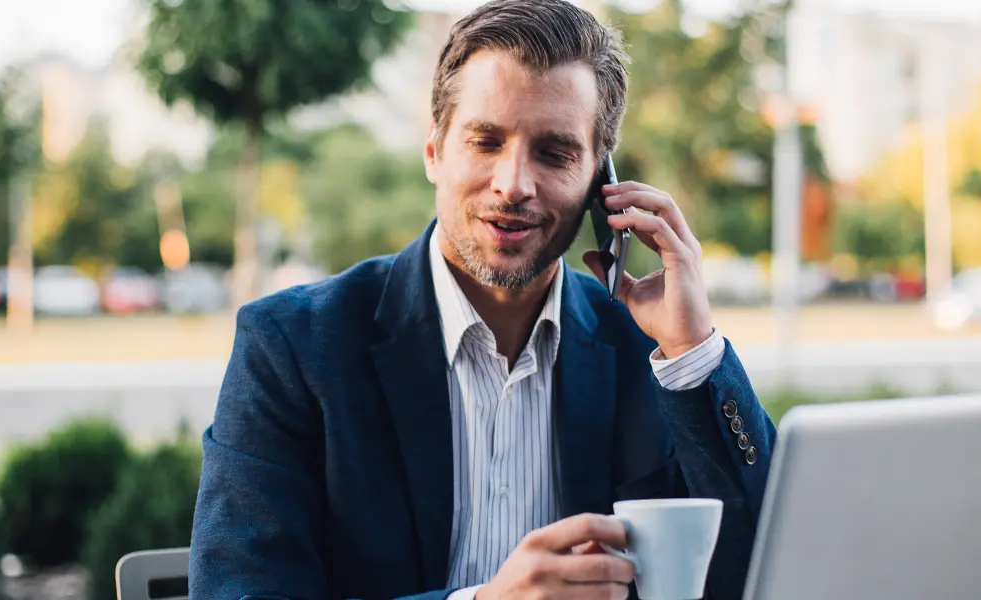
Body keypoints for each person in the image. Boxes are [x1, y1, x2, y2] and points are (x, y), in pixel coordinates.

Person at [189, 1, 775, 599]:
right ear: (435, 153)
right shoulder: (291, 348)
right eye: (485, 141)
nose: (514, 184)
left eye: (555, 152)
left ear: (603, 185)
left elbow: (767, 567)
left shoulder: (648, 353)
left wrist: (691, 351)